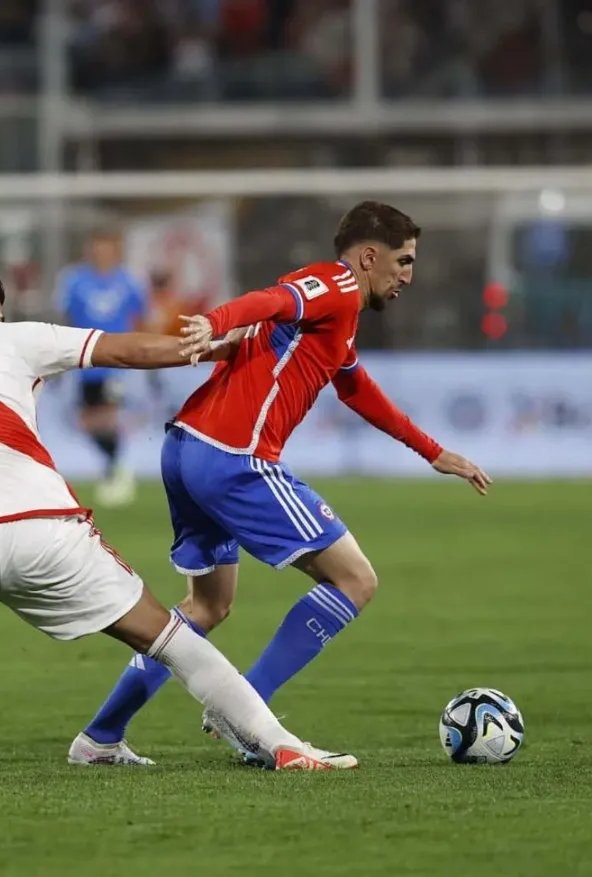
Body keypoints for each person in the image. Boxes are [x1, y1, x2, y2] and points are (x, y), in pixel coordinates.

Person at [0, 260, 352, 772]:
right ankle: (281, 745)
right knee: (171, 640)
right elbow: (124, 350)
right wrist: (210, 346)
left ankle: (107, 741)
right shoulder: (6, 338)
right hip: (45, 531)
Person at [70, 201, 491, 767]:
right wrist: (215, 323)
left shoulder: (337, 321)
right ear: (369, 256)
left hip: (186, 448)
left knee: (206, 608)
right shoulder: (335, 284)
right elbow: (271, 299)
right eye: (403, 260)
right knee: (356, 580)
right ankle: (248, 711)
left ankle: (100, 737)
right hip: (233, 458)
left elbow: (359, 390)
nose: (408, 275)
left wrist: (434, 452)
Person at [56, 228, 146, 506]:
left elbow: (140, 317)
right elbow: (66, 316)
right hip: (85, 360)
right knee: (87, 421)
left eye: (106, 247)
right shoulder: (75, 281)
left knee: (107, 414)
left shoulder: (127, 281)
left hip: (116, 361)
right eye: (97, 247)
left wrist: (136, 352)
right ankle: (114, 464)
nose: (101, 253)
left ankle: (116, 469)